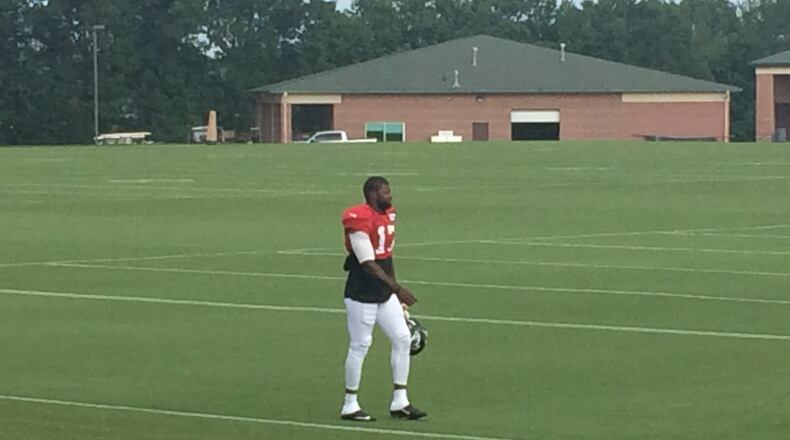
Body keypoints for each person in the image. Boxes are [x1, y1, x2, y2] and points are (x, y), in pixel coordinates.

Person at [339, 176, 427, 422]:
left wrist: (394, 295)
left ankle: (401, 401)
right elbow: (368, 262)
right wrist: (398, 289)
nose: (390, 196)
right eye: (386, 192)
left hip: (383, 291)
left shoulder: (387, 216)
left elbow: (387, 258)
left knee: (402, 338)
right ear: (373, 195)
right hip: (362, 291)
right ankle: (350, 403)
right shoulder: (359, 218)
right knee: (361, 345)